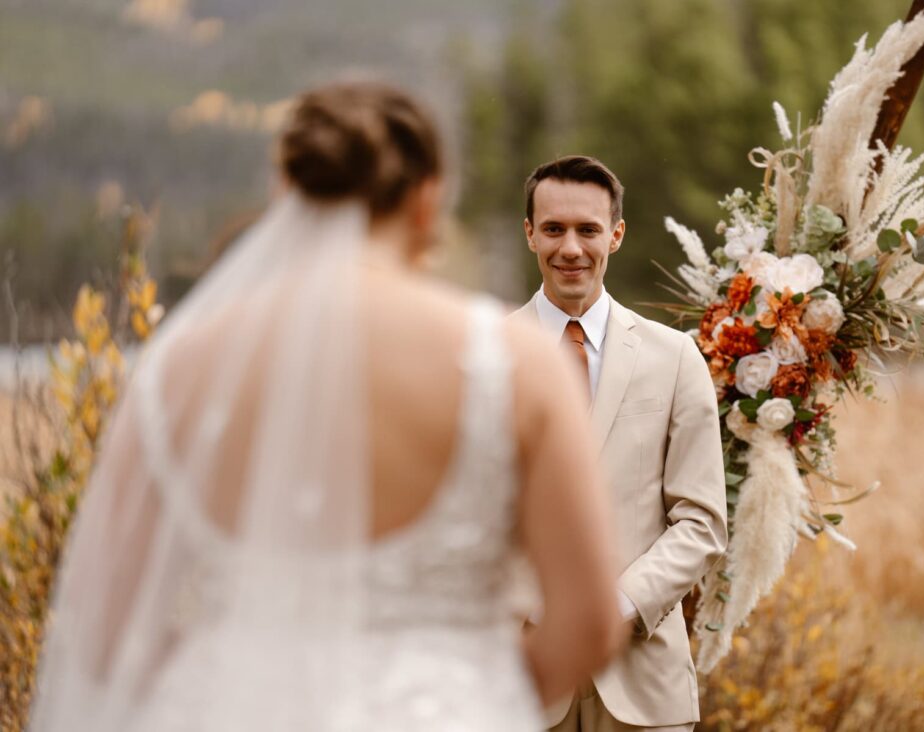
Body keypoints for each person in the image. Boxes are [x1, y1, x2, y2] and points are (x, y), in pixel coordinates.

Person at [31, 82, 623, 731]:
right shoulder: (512, 361)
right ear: (427, 200)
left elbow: (106, 633)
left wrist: (223, 687)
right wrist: (469, 692)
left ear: (288, 193)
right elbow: (590, 622)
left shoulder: (176, 369)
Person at [510, 156, 728, 732]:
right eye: (554, 229)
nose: (571, 248)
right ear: (529, 232)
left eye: (588, 229)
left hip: (643, 684)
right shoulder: (484, 355)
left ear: (617, 234)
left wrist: (617, 606)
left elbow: (702, 521)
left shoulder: (676, 357)